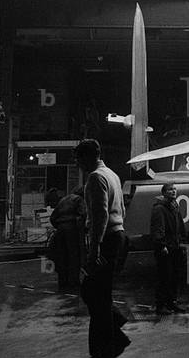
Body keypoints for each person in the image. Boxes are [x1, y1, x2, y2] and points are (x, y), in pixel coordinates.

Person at [75, 139, 130, 358]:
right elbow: (122, 210)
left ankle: (106, 347)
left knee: (94, 292)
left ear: (87, 157)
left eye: (79, 160)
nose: (79, 165)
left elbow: (100, 215)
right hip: (118, 235)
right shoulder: (113, 175)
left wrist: (95, 248)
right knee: (100, 293)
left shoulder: (95, 177)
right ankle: (112, 340)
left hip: (106, 238)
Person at [150, 183, 188, 315]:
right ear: (164, 192)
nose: (173, 191)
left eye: (174, 189)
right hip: (166, 247)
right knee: (164, 277)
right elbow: (158, 228)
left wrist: (182, 241)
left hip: (175, 246)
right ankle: (161, 305)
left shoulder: (174, 206)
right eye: (170, 190)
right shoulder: (159, 208)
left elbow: (180, 225)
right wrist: (161, 245)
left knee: (174, 276)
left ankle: (172, 303)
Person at [50, 186, 86, 291]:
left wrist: (59, 226)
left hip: (60, 230)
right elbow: (83, 214)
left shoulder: (63, 200)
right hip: (72, 230)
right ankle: (73, 282)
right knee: (74, 256)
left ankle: (62, 281)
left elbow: (53, 217)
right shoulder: (79, 200)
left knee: (62, 256)